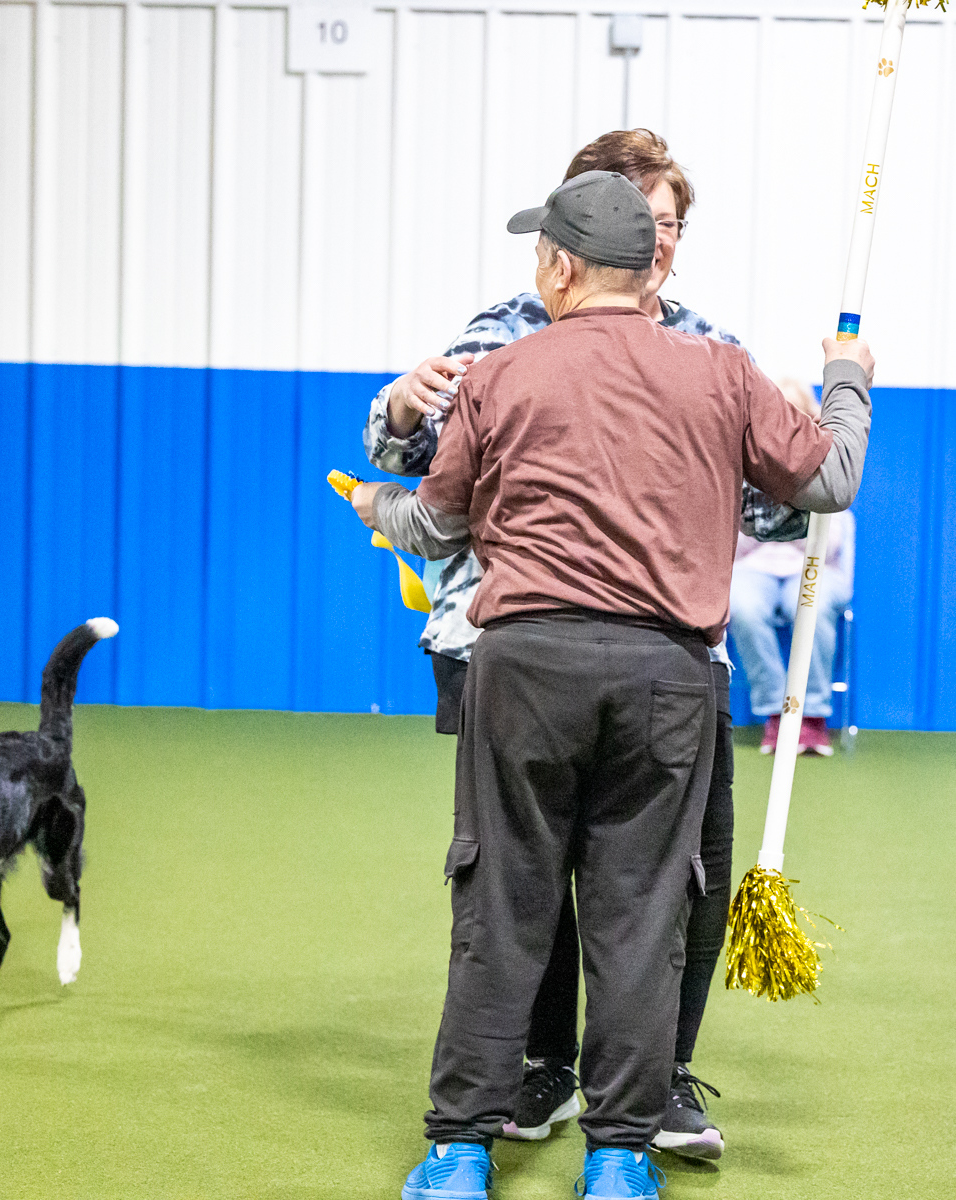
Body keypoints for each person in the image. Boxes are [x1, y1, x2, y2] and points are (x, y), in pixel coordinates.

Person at [350, 170, 872, 1200]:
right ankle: (620, 1158)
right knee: (640, 916)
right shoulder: (721, 369)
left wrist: (376, 504)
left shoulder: (502, 372)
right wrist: (847, 377)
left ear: (557, 266)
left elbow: (436, 525)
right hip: (665, 679)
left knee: (502, 905)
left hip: (523, 671)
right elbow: (828, 480)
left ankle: (459, 1151)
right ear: (648, 266)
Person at [730, 380, 857, 756]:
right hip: (755, 568)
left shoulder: (825, 462)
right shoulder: (749, 466)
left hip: (816, 568)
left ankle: (811, 715)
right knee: (742, 605)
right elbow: (736, 541)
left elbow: (828, 543)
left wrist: (781, 515)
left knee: (809, 604)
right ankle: (777, 712)